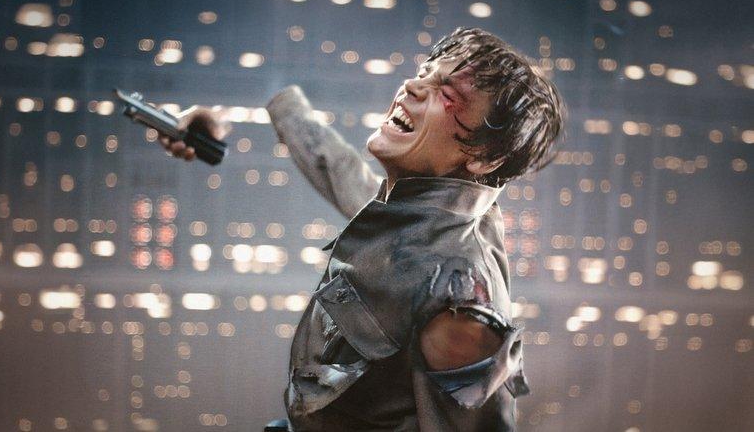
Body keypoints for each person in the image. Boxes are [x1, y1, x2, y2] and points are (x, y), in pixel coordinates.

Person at [159, 27, 564, 431]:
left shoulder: (455, 304)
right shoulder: (426, 215)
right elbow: (340, 172)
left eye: (446, 93)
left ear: (486, 157)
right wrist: (235, 116)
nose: (412, 86)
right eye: (423, 73)